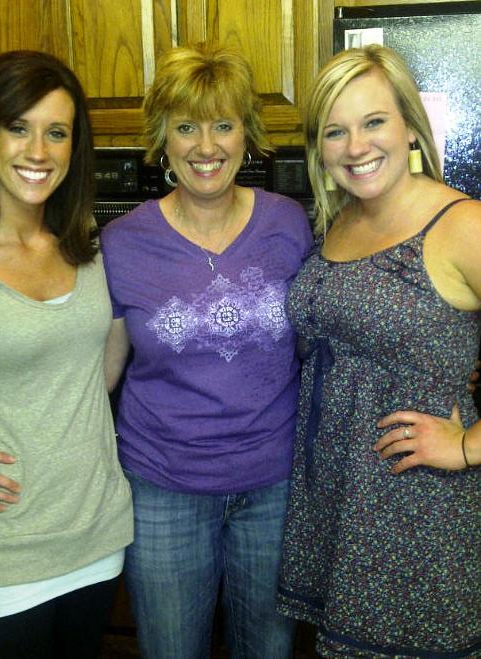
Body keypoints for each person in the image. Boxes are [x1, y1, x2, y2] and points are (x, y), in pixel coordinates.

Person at [101, 43, 313, 658]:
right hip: (163, 489)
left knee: (267, 651)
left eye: (223, 124)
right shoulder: (121, 242)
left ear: (246, 133)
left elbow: (321, 337)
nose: (206, 146)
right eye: (186, 126)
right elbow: (99, 375)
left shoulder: (288, 223)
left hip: (274, 487)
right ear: (161, 138)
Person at [277, 45, 480, 657]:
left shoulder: (461, 225)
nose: (356, 146)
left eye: (373, 122)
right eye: (335, 131)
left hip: (416, 509)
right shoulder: (339, 220)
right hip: (338, 501)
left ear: (409, 126)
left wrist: (467, 447)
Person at [0, 50, 133, 659]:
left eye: (57, 132)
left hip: (97, 534)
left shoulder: (85, 243)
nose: (38, 151)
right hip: (0, 551)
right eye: (18, 127)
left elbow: (100, 372)